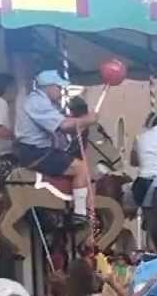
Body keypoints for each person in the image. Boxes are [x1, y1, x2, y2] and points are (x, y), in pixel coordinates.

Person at [14, 70, 100, 215]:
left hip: (37, 150)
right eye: (59, 87)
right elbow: (64, 125)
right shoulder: (37, 102)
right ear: (49, 86)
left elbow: (67, 128)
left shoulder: (45, 103)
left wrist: (83, 123)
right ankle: (80, 214)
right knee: (81, 168)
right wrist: (87, 119)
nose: (61, 91)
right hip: (36, 152)